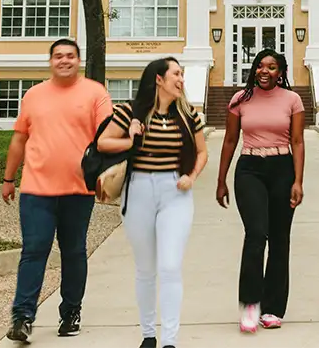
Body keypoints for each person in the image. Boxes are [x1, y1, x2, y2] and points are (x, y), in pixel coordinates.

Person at [2, 38, 113, 342]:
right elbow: (19, 139)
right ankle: (22, 317)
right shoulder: (34, 94)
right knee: (34, 250)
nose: (64, 61)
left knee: (74, 252)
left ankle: (71, 313)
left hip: (79, 190)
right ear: (50, 61)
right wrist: (9, 178)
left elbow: (107, 138)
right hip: (37, 190)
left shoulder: (95, 93)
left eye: (70, 56)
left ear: (80, 61)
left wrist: (103, 174)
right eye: (58, 56)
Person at [97, 56, 208, 348]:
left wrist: (192, 176)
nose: (181, 79)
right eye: (176, 74)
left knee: (170, 267)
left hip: (176, 191)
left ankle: (169, 340)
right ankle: (148, 335)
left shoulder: (188, 115)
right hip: (139, 190)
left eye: (182, 74)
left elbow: (202, 152)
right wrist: (130, 140)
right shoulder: (130, 113)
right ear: (158, 79)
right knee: (146, 269)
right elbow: (103, 143)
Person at [216, 49, 306, 333]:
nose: (265, 71)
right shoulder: (240, 99)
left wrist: (298, 181)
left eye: (272, 67)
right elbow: (230, 140)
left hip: (282, 168)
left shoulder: (292, 100)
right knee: (256, 235)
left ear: (281, 72)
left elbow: (298, 141)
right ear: (254, 69)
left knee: (280, 239)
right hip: (250, 169)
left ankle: (273, 309)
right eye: (260, 66)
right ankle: (250, 306)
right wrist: (221, 180)